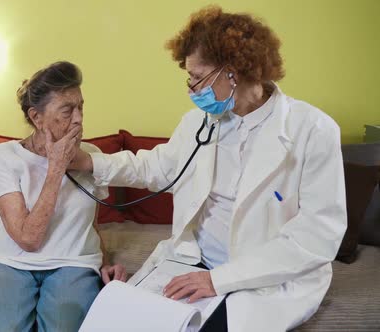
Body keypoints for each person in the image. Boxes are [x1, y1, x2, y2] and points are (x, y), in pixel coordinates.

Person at [70, 6, 347, 332]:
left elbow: (316, 238)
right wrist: (88, 161)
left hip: (264, 278)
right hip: (191, 260)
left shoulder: (313, 130)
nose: (191, 89)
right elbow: (156, 167)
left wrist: (218, 280)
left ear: (234, 72)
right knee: (119, 321)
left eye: (198, 78)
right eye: (189, 78)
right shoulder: (199, 123)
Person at [0, 61, 126, 332]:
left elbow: (89, 222)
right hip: (9, 261)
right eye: (67, 110)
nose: (78, 118)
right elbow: (28, 239)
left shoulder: (93, 158)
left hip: (73, 264)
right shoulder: (4, 155)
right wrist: (55, 167)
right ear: (36, 117)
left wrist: (104, 261)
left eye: (81, 107)